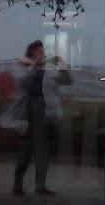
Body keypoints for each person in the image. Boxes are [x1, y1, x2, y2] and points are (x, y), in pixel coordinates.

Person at [10, 40, 69, 196]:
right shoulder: (24, 67)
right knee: (26, 149)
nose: (42, 55)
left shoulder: (50, 69)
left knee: (43, 148)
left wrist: (61, 64)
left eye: (43, 52)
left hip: (47, 111)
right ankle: (18, 184)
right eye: (38, 52)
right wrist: (34, 65)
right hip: (28, 111)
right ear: (32, 54)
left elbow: (67, 80)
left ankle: (40, 185)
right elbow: (21, 82)